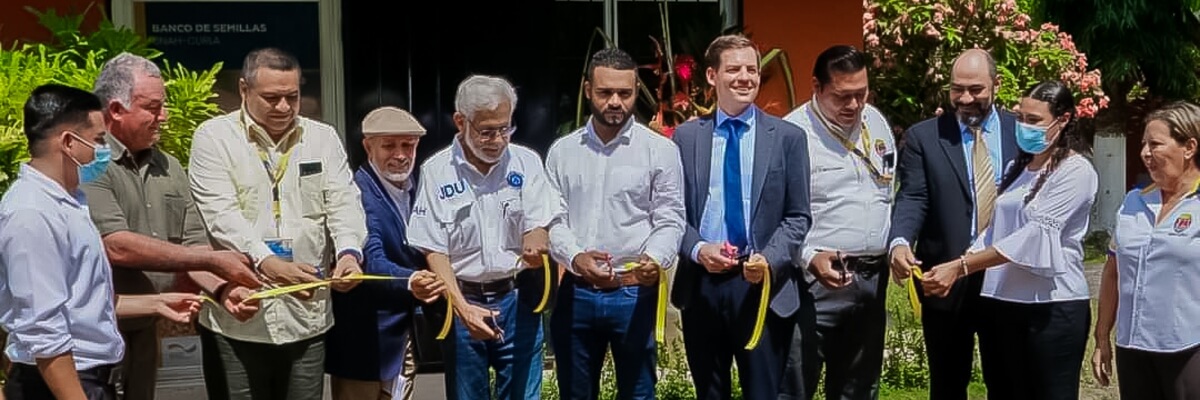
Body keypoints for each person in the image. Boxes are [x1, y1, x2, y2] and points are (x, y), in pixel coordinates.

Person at [0, 83, 201, 400]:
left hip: (92, 379)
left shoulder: (71, 201)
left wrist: (156, 303)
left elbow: (79, 301)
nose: (103, 151)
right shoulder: (32, 214)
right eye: (97, 140)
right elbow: (43, 329)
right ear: (68, 142)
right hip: (61, 384)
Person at [80, 52, 262, 400]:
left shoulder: (170, 167)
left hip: (147, 328)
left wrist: (225, 291)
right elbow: (116, 245)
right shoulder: (90, 161)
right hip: (95, 336)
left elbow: (196, 246)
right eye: (152, 107)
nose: (163, 117)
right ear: (116, 110)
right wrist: (212, 262)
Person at [187, 47, 366, 400]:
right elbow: (221, 215)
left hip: (307, 318)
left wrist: (349, 252)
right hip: (239, 318)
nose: (283, 107)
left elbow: (344, 201)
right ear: (243, 90)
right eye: (271, 98)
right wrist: (267, 261)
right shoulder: (213, 138)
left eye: (292, 96)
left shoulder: (322, 137)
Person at [921, 81, 1097, 399]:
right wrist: (954, 263)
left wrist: (962, 267)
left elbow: (1033, 237)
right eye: (1020, 118)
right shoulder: (1020, 167)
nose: (1024, 127)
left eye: (1034, 121)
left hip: (1052, 306)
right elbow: (994, 230)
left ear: (1065, 119)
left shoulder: (1075, 170)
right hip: (1003, 303)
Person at [670, 34, 811, 400]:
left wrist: (770, 258)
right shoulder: (685, 139)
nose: (745, 77)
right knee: (710, 392)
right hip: (702, 285)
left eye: (752, 69)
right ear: (712, 77)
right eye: (734, 69)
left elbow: (798, 216)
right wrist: (698, 248)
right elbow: (671, 214)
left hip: (761, 284)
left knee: (763, 391)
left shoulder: (787, 138)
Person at [546, 47, 686, 400]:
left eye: (624, 93)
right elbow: (552, 220)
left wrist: (655, 258)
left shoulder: (660, 151)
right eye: (605, 92)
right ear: (587, 89)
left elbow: (670, 218)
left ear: (636, 91)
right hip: (576, 293)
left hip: (634, 291)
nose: (615, 102)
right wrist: (576, 257)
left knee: (639, 393)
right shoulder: (563, 152)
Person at [406, 74, 557, 400]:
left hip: (518, 300)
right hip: (462, 300)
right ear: (461, 122)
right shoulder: (436, 171)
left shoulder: (527, 162)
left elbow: (539, 219)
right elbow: (434, 249)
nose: (498, 140)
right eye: (487, 131)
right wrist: (462, 308)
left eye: (505, 128)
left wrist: (536, 240)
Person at [887, 48, 1018, 400]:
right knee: (947, 383)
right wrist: (900, 241)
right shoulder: (923, 138)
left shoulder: (1020, 134)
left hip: (1006, 277)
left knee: (1008, 382)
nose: (965, 98)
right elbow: (913, 196)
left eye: (975, 89)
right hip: (944, 277)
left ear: (996, 85)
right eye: (956, 89)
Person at [779, 45, 894, 400]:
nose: (855, 105)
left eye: (862, 94)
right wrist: (809, 255)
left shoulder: (875, 121)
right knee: (797, 383)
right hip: (813, 283)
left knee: (859, 388)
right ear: (816, 87)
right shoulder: (792, 135)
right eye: (843, 96)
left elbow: (886, 189)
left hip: (872, 279)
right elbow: (776, 215)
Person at [325, 106, 445, 400]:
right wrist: (413, 279)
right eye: (389, 145)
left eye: (408, 145)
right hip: (365, 339)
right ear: (368, 146)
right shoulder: (357, 192)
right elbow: (372, 259)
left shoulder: (423, 186)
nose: (401, 154)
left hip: (406, 335)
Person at [1094, 101, 1200, 399]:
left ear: (1189, 147)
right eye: (1143, 144)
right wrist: (1102, 336)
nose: (1145, 153)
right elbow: (1113, 271)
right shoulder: (1133, 202)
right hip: (1133, 346)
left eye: (1155, 144)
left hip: (1188, 347)